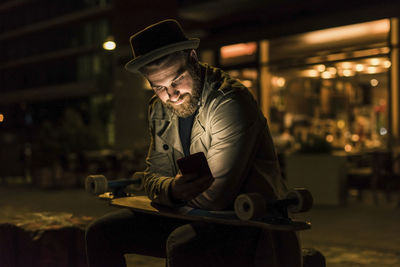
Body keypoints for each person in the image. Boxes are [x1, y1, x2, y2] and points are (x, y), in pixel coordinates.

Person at [85, 19, 294, 267]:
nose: (170, 95)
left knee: (182, 243)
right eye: (158, 87)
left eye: (176, 80)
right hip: (187, 213)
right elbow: (152, 175)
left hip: (246, 220)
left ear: (193, 58)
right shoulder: (158, 108)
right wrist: (173, 189)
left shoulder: (230, 102)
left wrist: (167, 191)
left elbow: (216, 197)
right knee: (101, 233)